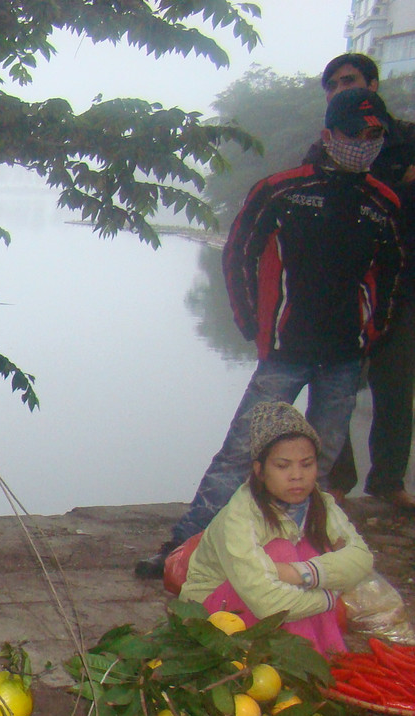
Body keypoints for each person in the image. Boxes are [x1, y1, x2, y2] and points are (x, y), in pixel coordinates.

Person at [135, 88, 404, 578]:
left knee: (314, 463)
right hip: (285, 351)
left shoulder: (381, 203)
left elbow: (391, 274)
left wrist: (374, 330)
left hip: (344, 356)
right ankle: (183, 547)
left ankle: (299, 556)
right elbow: (237, 251)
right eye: (354, 134)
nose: (363, 145)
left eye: (374, 136)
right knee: (242, 451)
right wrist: (247, 319)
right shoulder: (281, 190)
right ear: (328, 136)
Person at [309, 54, 415, 512]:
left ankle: (388, 481)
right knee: (334, 388)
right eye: (330, 85)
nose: (338, 90)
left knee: (395, 387)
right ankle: (336, 481)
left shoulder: (408, 138)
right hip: (344, 290)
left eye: (348, 81)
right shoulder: (325, 149)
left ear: (373, 83)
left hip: (402, 286)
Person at [180, 403, 373, 654]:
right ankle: (300, 659)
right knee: (281, 549)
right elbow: (266, 603)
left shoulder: (321, 503)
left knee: (314, 547)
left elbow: (361, 557)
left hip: (282, 596)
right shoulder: (240, 516)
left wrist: (303, 573)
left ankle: (321, 653)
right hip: (216, 613)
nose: (297, 476)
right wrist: (328, 596)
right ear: (259, 470)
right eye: (283, 466)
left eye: (306, 464)